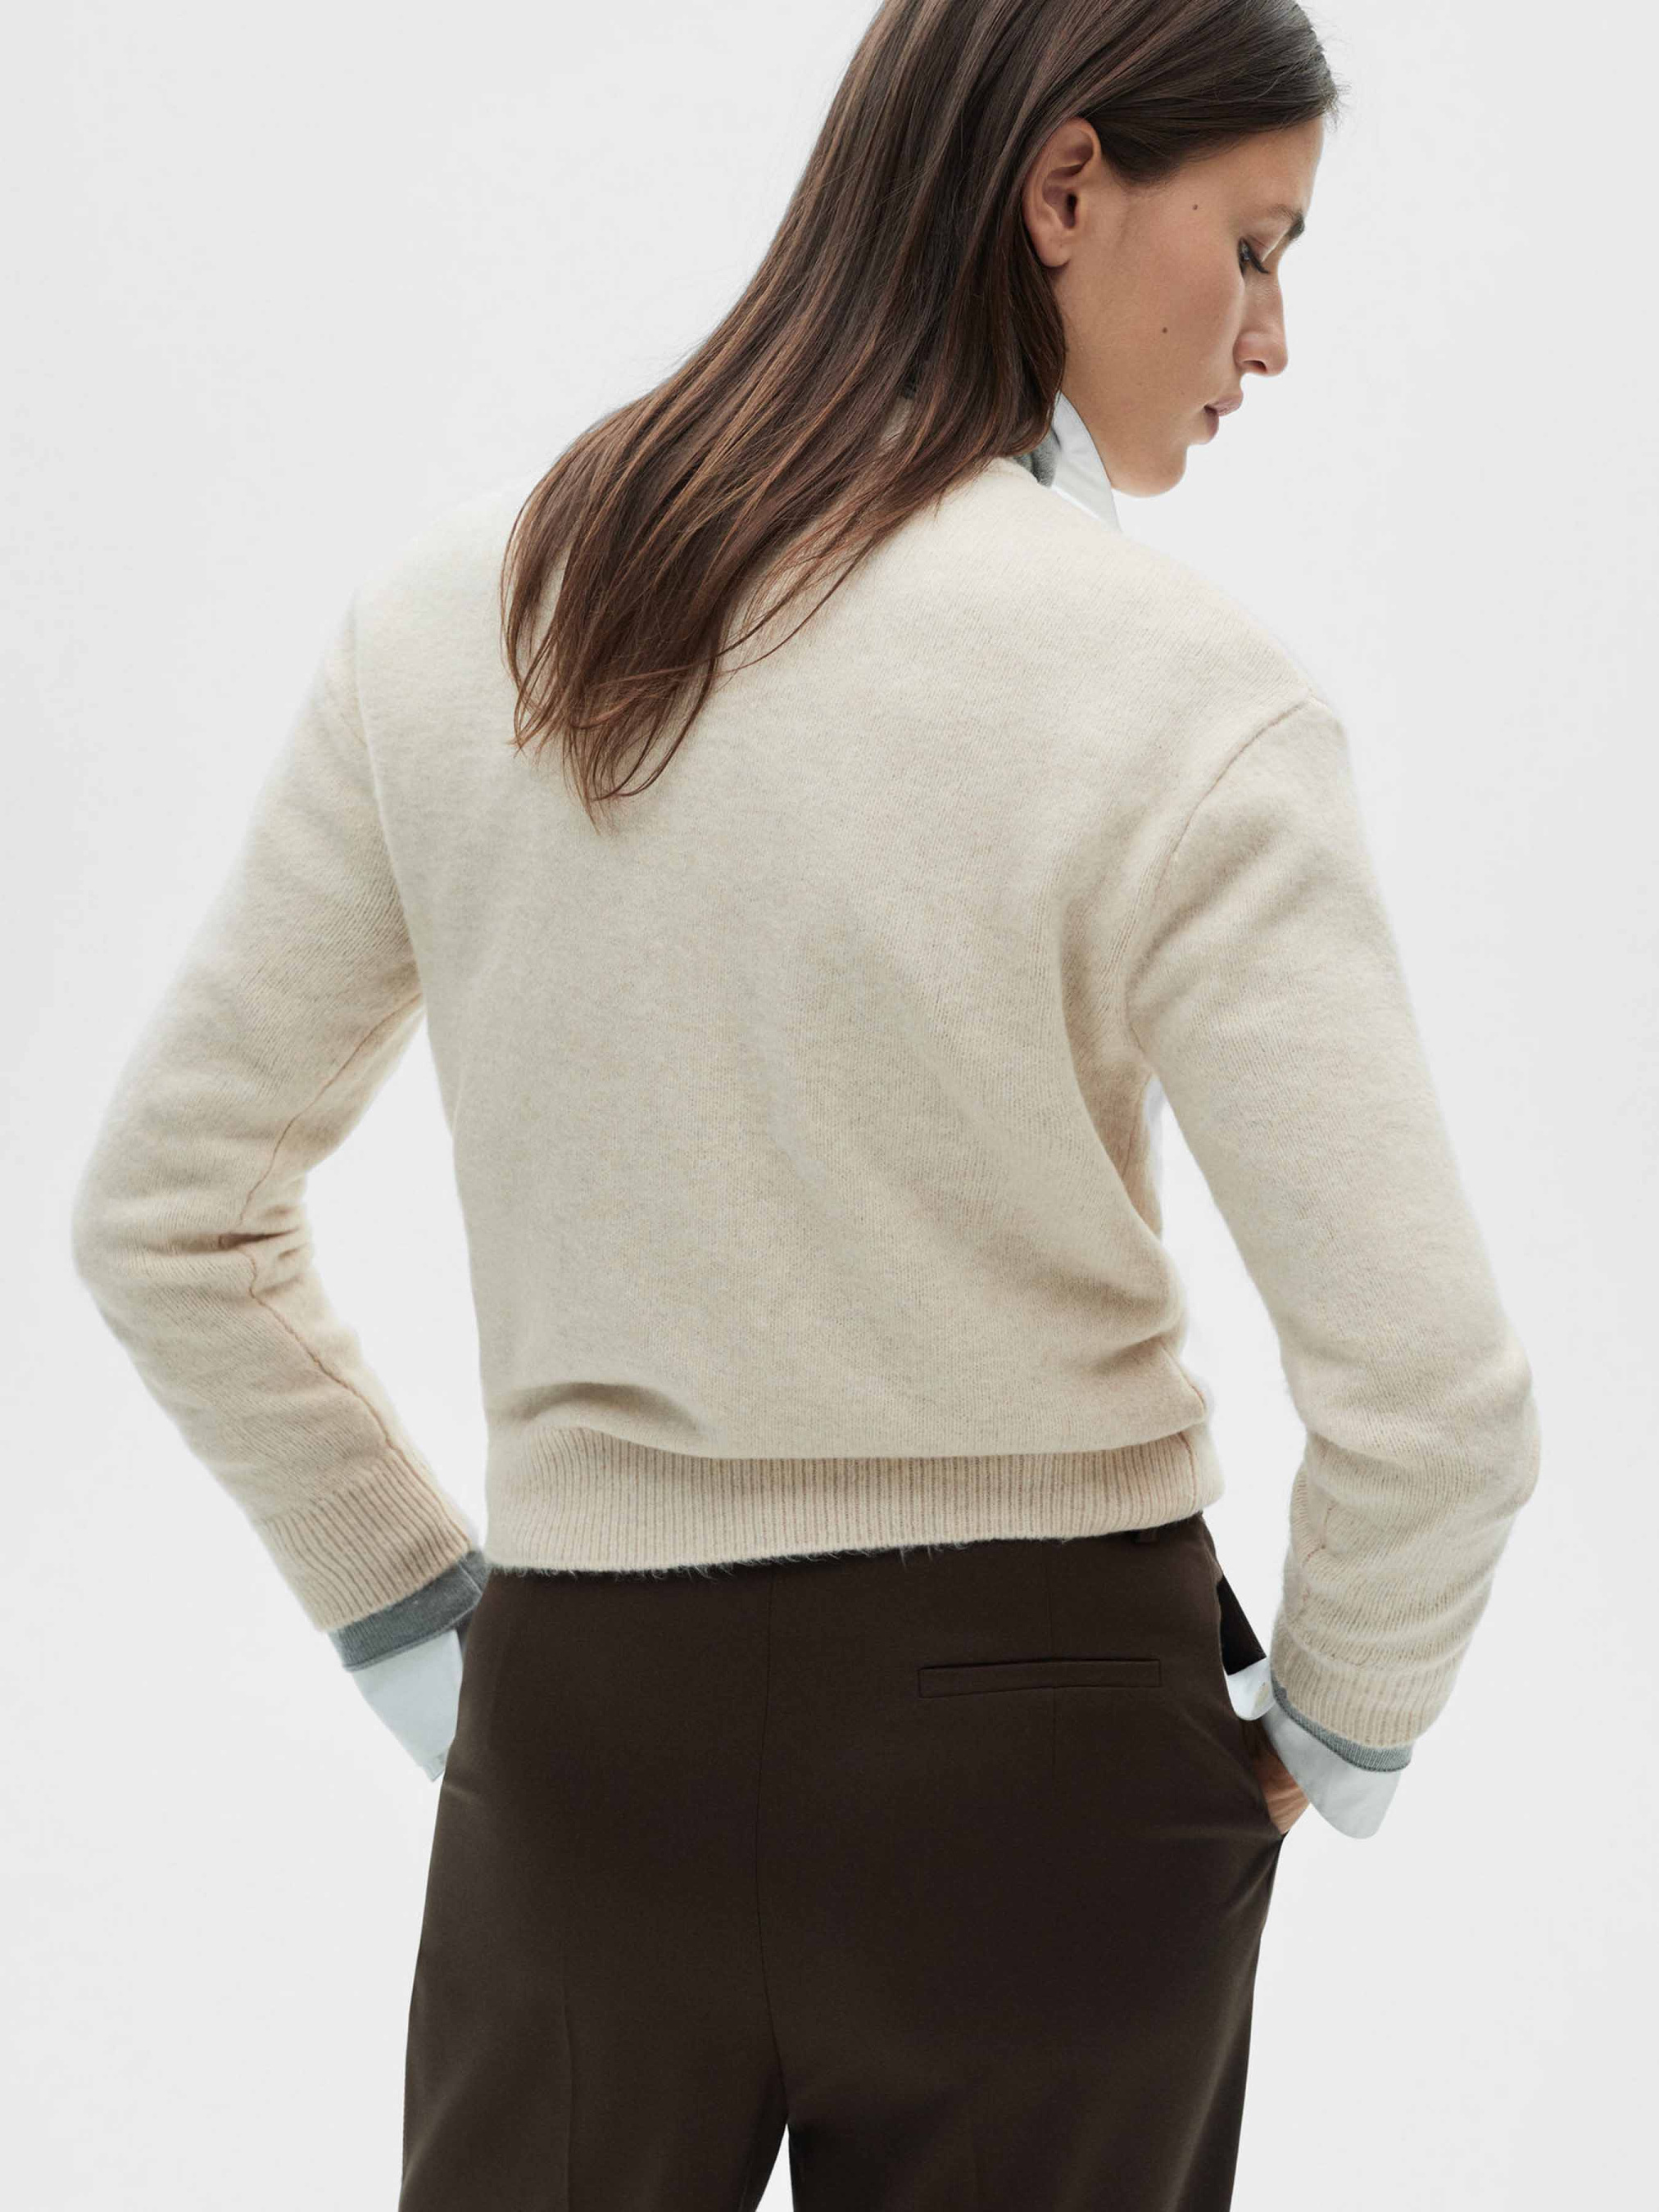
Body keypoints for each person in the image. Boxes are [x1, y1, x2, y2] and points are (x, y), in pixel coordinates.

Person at [69, 2, 1542, 2205]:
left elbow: (166, 1216)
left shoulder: (463, 622)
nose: (1271, 336)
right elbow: (1437, 1402)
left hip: (587, 1750)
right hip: (1056, 1770)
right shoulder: (1186, 697)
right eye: (1253, 245)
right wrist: (1321, 1733)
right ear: (1063, 191)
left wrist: (423, 1624)